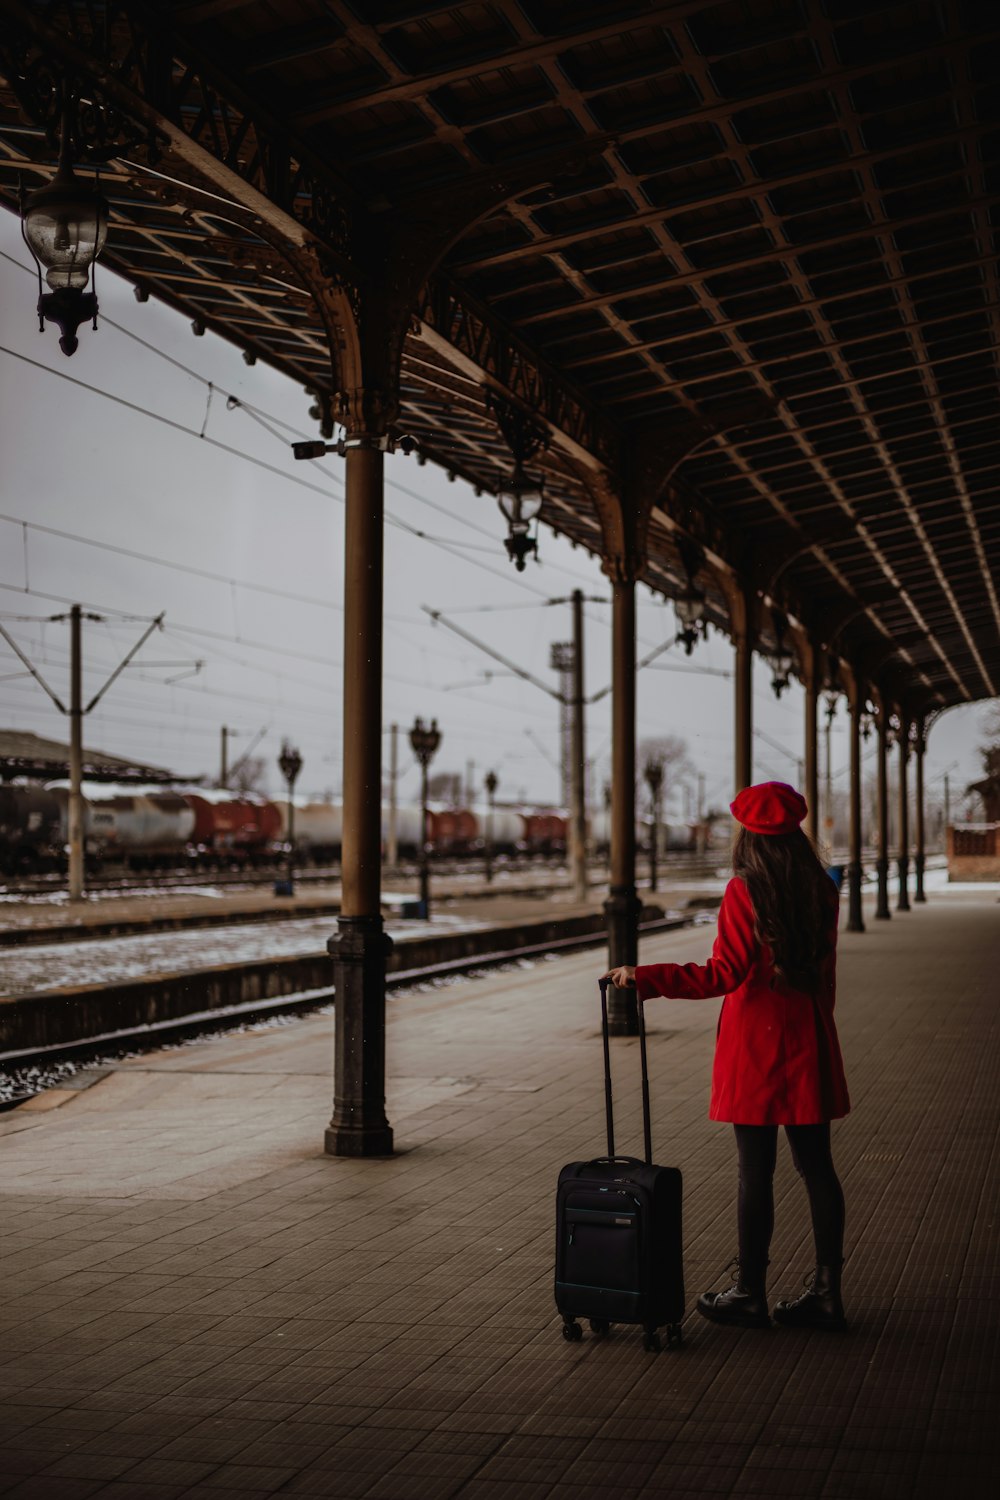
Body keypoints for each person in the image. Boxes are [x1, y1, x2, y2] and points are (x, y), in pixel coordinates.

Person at [605, 781, 850, 1331]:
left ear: (748, 834)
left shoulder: (745, 890)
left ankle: (751, 1292)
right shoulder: (821, 888)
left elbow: (723, 974)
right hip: (808, 1039)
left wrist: (644, 977)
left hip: (757, 1048)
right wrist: (818, 1030)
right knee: (818, 1169)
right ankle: (828, 1292)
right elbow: (827, 980)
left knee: (754, 1172)